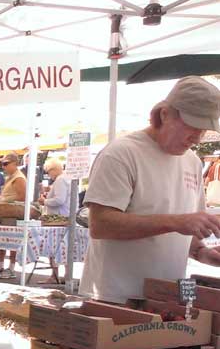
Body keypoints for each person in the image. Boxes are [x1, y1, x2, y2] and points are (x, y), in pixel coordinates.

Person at [80, 76, 220, 304]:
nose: (196, 138)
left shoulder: (193, 162)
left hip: (168, 297)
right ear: (165, 114)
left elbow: (184, 235)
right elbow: (100, 225)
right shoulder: (121, 154)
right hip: (116, 297)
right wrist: (175, 222)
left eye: (203, 130)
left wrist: (203, 253)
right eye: (192, 126)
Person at [0, 153, 28, 279]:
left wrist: (4, 199)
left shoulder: (19, 178)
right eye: (3, 164)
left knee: (11, 240)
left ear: (15, 164)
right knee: (2, 239)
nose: (4, 167)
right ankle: (0, 264)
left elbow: (22, 197)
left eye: (6, 164)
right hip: (6, 212)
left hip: (13, 213)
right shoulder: (10, 177)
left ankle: (11, 267)